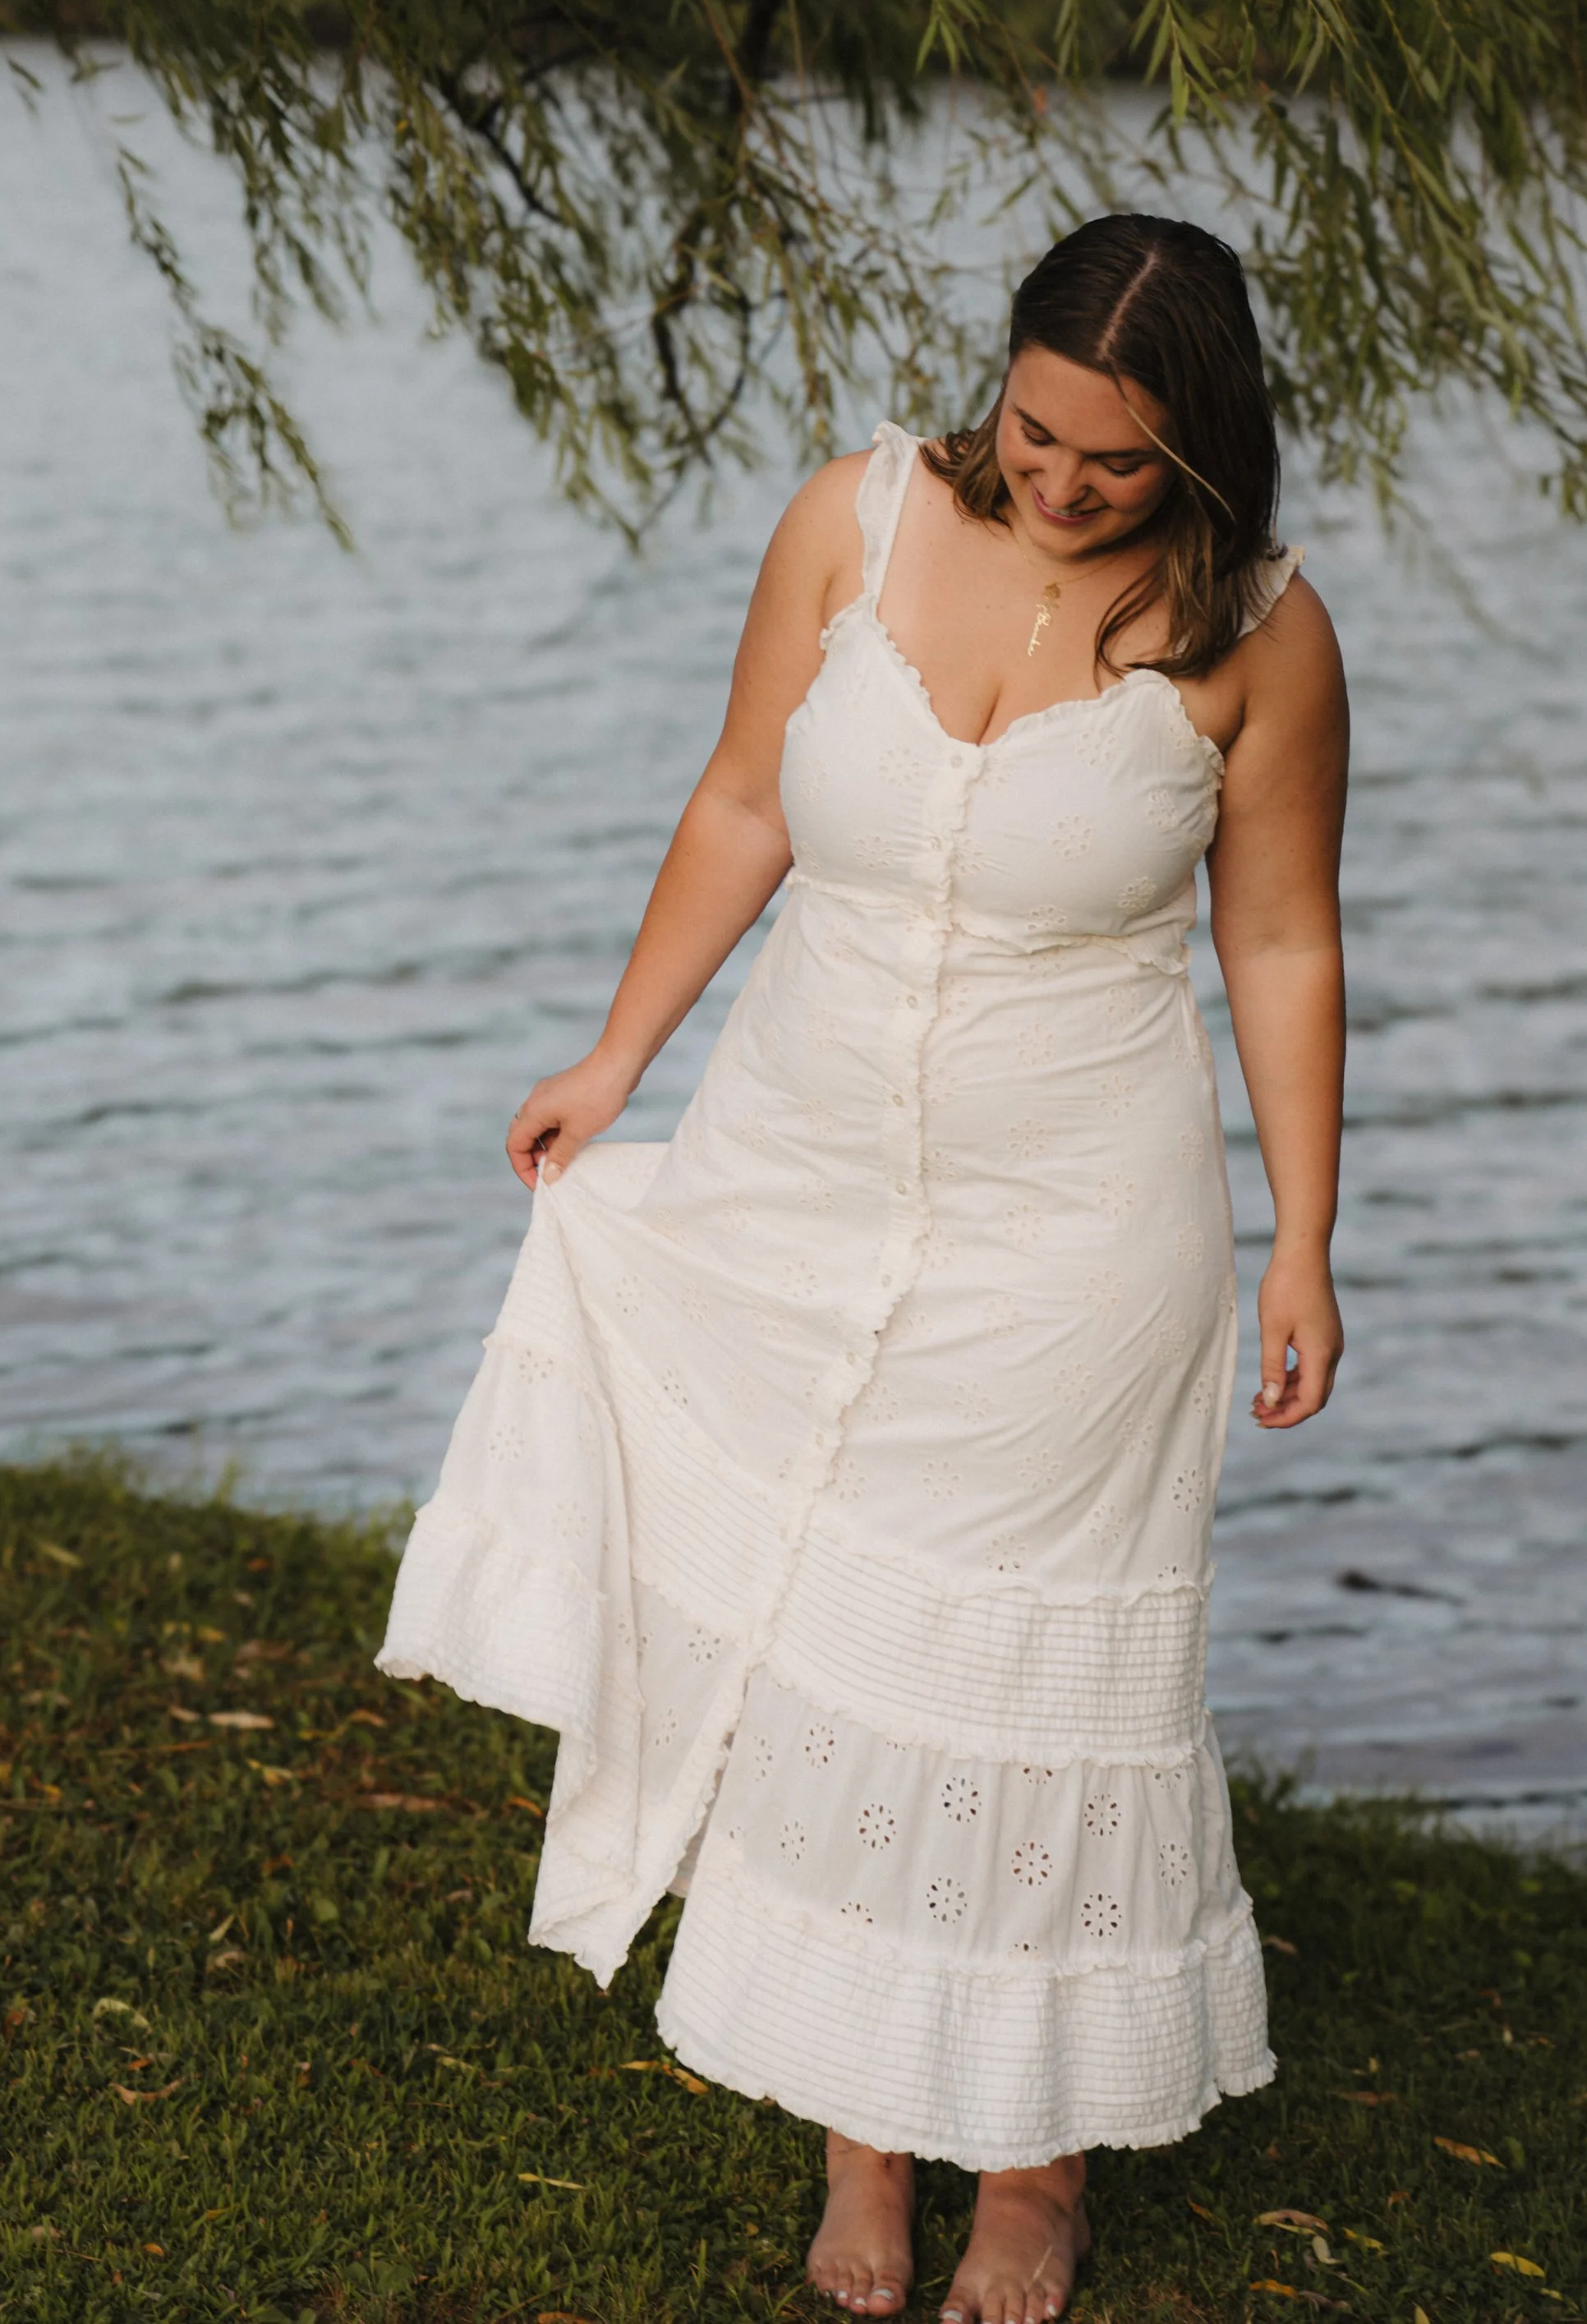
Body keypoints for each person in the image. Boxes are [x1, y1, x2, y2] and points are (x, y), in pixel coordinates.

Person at [380, 215, 1348, 2324]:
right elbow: (741, 797)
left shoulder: (1255, 639)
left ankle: (1029, 2175)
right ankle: (859, 2138)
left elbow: (1275, 942)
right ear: (991, 382)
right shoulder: (850, 517)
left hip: (1077, 1236)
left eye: (1114, 463)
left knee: (1012, 1680)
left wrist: (1305, 1244)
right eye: (1036, 432)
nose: (1062, 485)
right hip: (794, 1165)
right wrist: (614, 1055)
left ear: (1201, 452)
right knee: (825, 1654)